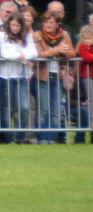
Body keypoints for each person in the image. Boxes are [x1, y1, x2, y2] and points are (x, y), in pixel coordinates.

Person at [33, 12, 74, 144]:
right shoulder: (37, 35)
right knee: (43, 109)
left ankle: (52, 138)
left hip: (57, 76)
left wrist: (64, 53)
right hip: (42, 76)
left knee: (56, 110)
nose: (48, 25)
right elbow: (39, 54)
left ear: (57, 24)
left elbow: (72, 52)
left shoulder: (64, 35)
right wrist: (56, 50)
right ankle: (42, 138)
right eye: (46, 22)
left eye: (51, 22)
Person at [0, 14, 35, 143]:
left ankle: (20, 137)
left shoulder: (27, 36)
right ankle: (8, 138)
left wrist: (23, 56)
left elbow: (34, 52)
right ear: (8, 24)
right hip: (6, 76)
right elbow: (4, 53)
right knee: (6, 108)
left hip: (22, 77)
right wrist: (20, 57)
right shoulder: (1, 36)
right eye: (13, 25)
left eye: (18, 25)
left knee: (24, 107)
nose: (15, 28)